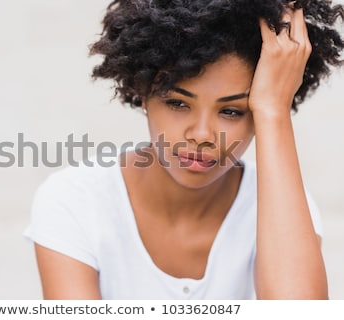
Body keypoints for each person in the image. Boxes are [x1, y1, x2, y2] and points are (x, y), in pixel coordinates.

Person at [25, 0, 344, 299]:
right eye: (177, 103)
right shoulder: (74, 202)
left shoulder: (283, 208)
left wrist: (275, 110)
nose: (202, 135)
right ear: (142, 90)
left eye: (232, 111)